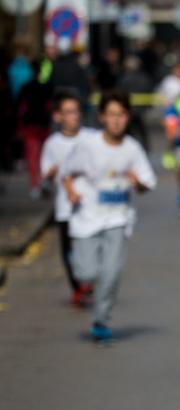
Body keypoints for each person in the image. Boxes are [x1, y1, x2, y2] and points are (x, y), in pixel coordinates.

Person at [62, 90, 157, 343]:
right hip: (87, 217)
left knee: (111, 272)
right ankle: (77, 261)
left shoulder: (132, 149)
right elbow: (66, 172)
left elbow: (148, 182)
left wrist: (138, 183)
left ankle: (101, 320)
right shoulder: (88, 145)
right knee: (86, 273)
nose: (117, 120)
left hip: (118, 218)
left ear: (128, 117)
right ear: (102, 117)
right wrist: (71, 192)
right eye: (111, 115)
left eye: (122, 115)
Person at [41, 91, 91, 306]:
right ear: (57, 117)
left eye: (76, 112)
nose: (74, 116)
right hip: (65, 206)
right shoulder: (52, 143)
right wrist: (52, 171)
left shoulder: (90, 137)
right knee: (68, 249)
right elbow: (45, 174)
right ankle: (77, 287)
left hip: (89, 205)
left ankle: (87, 277)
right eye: (68, 112)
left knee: (87, 246)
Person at [15, 60, 52, 199]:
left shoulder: (26, 87)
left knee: (32, 157)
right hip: (42, 124)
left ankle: (35, 185)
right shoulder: (47, 87)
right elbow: (49, 106)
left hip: (30, 125)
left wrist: (19, 126)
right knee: (44, 156)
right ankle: (43, 181)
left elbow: (20, 109)